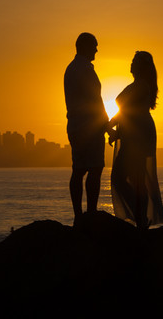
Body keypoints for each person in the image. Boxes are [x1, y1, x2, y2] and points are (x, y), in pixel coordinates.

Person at [108, 51, 163, 230]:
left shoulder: (141, 86)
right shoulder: (138, 85)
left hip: (138, 134)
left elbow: (126, 109)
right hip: (134, 132)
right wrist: (113, 127)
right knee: (132, 177)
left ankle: (141, 219)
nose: (131, 63)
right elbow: (125, 110)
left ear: (140, 66)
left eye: (134, 61)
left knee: (126, 176)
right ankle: (141, 219)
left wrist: (111, 124)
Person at [64, 32, 108, 221]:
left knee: (78, 169)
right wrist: (106, 125)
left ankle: (78, 215)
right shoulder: (85, 70)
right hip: (89, 127)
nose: (97, 50)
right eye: (95, 46)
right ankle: (90, 213)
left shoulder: (71, 69)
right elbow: (95, 102)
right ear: (86, 46)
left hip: (74, 125)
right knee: (95, 167)